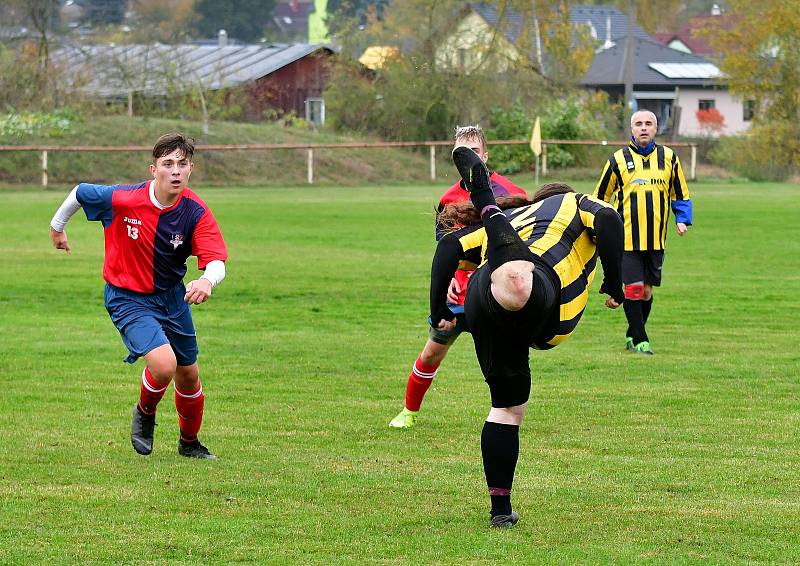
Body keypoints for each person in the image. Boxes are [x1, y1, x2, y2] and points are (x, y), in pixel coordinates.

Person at [433, 146, 625, 528]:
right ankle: (484, 198)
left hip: (487, 308)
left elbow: (449, 246)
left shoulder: (517, 215)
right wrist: (614, 283)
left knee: (507, 408)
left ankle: (501, 512)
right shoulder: (573, 202)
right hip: (536, 297)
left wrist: (438, 307)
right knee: (520, 281)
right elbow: (609, 217)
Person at [49, 133, 228, 460]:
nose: (176, 171)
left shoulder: (195, 211)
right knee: (163, 364)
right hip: (127, 297)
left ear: (191, 170)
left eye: (182, 164)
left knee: (188, 374)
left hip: (172, 298)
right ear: (153, 169)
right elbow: (79, 192)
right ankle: (145, 414)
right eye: (168, 164)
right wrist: (57, 227)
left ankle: (189, 443)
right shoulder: (124, 198)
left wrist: (207, 280)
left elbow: (216, 259)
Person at [389, 125, 527, 429]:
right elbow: (446, 248)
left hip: (494, 288)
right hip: (459, 291)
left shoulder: (512, 193)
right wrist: (450, 276)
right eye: (461, 154)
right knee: (431, 353)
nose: (468, 159)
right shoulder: (447, 199)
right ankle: (409, 411)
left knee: (502, 356)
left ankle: (507, 415)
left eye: (474, 152)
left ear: (485, 155)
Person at [593, 110, 692, 355]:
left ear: (656, 129)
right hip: (626, 238)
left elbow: (680, 194)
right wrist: (597, 227)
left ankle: (632, 333)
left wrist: (682, 219)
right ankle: (641, 340)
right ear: (632, 129)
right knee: (634, 289)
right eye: (639, 124)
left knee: (646, 292)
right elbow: (600, 197)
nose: (644, 128)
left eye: (649, 123)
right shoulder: (617, 159)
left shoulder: (669, 158)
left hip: (656, 239)